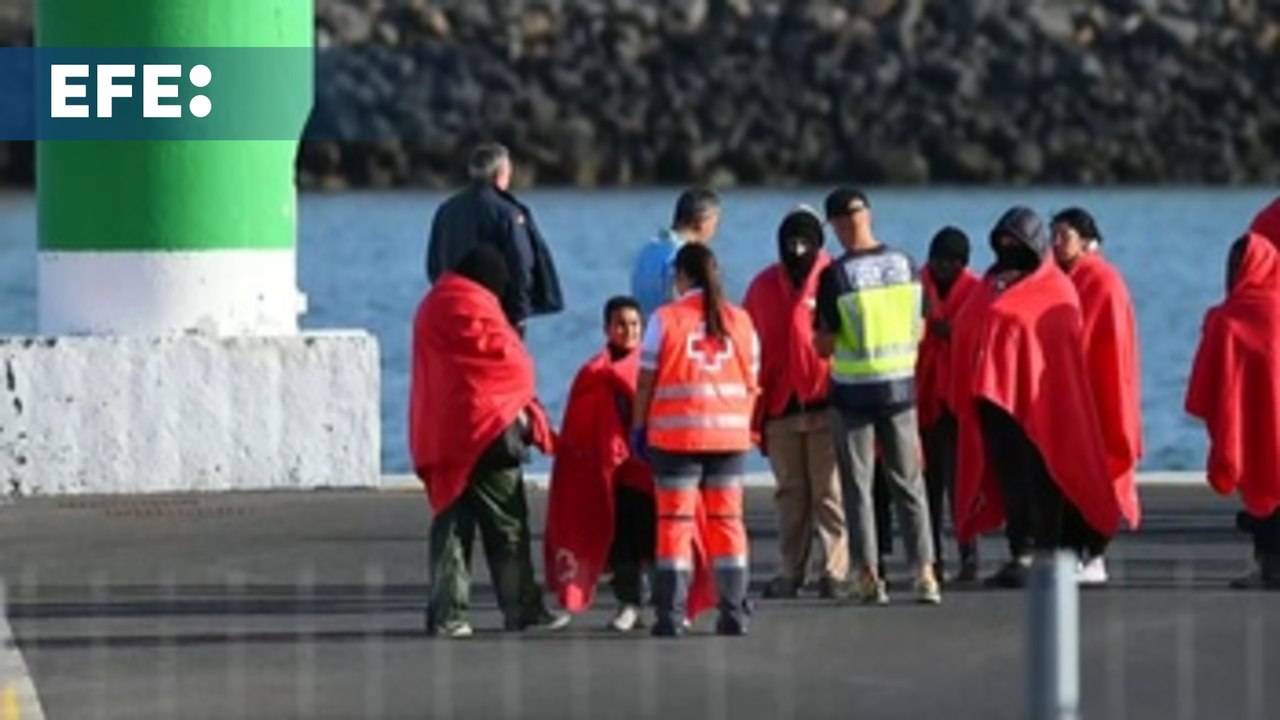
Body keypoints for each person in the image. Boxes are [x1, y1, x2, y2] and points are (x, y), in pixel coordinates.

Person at [949, 207, 1123, 589]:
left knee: (1041, 477)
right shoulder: (990, 284)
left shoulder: (1055, 288)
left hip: (1043, 402)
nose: (1009, 250)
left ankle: (1047, 552)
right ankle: (1020, 552)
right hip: (994, 401)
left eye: (1018, 243)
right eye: (1003, 243)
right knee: (1009, 478)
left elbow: (1059, 341)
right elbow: (968, 325)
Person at [410, 245, 568, 637]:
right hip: (488, 432)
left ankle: (447, 615)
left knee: (451, 526)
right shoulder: (479, 306)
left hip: (442, 432)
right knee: (508, 526)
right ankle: (523, 611)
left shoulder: (431, 306)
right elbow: (512, 365)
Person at [543, 297, 716, 631]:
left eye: (635, 324)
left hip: (652, 469)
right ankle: (629, 603)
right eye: (621, 324)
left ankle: (669, 603)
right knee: (622, 542)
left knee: (662, 541)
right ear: (607, 329)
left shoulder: (655, 367)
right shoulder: (593, 373)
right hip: (614, 475)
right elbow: (579, 428)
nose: (629, 331)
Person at [814, 188, 940, 605]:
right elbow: (921, 328)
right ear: (869, 215)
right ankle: (924, 573)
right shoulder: (905, 264)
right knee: (910, 484)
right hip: (900, 387)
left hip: (853, 392)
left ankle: (868, 575)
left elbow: (825, 344)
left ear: (833, 225)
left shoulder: (836, 275)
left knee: (859, 487)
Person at [632, 243, 759, 636]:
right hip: (730, 438)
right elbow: (752, 381)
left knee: (675, 524)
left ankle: (670, 617)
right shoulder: (741, 321)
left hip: (676, 439)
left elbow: (646, 381)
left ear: (681, 276)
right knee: (728, 524)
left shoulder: (665, 319)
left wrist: (638, 428)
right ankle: (734, 612)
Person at [743, 207, 849, 599]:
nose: (799, 250)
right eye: (791, 243)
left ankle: (835, 570)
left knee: (830, 493)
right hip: (780, 407)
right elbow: (746, 344)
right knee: (790, 494)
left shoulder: (837, 277)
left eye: (806, 242)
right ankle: (791, 569)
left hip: (827, 402)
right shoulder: (763, 286)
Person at [1051, 208, 1143, 585]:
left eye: (1064, 236)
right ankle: (1072, 553)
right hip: (1073, 396)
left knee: (1102, 472)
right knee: (1070, 476)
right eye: (1053, 235)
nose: (1056, 244)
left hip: (1100, 394)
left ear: (1085, 240)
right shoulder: (1062, 278)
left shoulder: (1102, 281)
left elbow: (1107, 343)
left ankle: (1095, 555)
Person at [1186, 233, 1280, 589]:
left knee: (1259, 484)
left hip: (1246, 420)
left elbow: (1206, 383)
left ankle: (1270, 565)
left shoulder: (1226, 318)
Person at [425, 142, 564, 332]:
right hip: (494, 317)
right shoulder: (507, 213)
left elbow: (433, 266)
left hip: (453, 312)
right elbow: (521, 266)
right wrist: (519, 317)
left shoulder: (446, 210)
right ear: (500, 175)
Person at [915, 226, 981, 583]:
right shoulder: (915, 286)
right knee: (927, 489)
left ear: (962, 264)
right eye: (937, 260)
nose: (941, 267)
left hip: (957, 403)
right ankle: (933, 560)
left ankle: (969, 557)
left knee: (962, 486)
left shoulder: (975, 290)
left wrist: (948, 332)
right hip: (923, 399)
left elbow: (979, 335)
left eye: (950, 262)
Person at [630, 188, 722, 317]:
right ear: (702, 222)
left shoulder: (647, 250)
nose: (715, 231)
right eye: (715, 224)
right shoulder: (687, 259)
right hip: (673, 332)